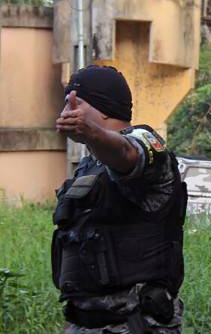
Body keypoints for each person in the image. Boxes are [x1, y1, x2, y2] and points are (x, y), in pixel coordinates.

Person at [52, 66, 187, 333]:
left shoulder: (145, 143)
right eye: (65, 101)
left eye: (75, 100)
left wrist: (91, 133)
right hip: (85, 323)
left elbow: (126, 155)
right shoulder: (89, 165)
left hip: (136, 324)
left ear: (103, 108)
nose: (65, 108)